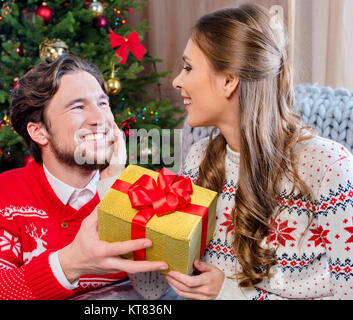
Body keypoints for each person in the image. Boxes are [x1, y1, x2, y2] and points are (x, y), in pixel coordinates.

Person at [130, 3, 353, 300]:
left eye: (188, 67)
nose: (177, 81)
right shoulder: (199, 160)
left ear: (228, 80)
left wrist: (230, 293)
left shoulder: (328, 168)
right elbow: (152, 290)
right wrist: (115, 186)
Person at [0, 54, 168, 300]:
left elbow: (162, 286)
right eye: (78, 107)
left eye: (102, 103)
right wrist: (70, 263)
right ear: (39, 131)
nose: (100, 119)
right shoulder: (4, 195)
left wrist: (113, 190)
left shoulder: (141, 189)